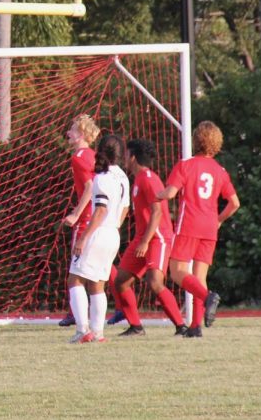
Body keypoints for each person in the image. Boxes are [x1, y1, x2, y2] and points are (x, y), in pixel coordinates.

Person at [157, 121, 240, 338]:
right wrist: (219, 220)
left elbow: (170, 193)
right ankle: (195, 327)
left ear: (196, 140)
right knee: (198, 276)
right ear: (217, 144)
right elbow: (234, 203)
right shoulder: (220, 170)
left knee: (177, 271)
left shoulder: (186, 165)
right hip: (210, 228)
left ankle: (208, 296)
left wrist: (157, 195)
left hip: (189, 224)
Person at [113, 139, 187, 337]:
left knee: (154, 281)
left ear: (133, 157)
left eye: (127, 155)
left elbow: (157, 212)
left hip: (158, 238)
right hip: (142, 238)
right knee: (120, 281)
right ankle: (136, 327)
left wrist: (146, 241)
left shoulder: (148, 178)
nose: (124, 159)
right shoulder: (138, 179)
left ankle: (181, 327)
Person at [60, 115, 123, 327]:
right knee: (98, 277)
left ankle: (81, 324)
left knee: (76, 277)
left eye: (72, 129)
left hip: (90, 220)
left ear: (82, 134)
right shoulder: (94, 157)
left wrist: (76, 214)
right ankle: (117, 310)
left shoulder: (78, 156)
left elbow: (89, 187)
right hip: (108, 225)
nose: (68, 133)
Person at [67, 134, 130, 343]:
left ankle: (82, 330)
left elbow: (100, 211)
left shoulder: (102, 178)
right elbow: (126, 207)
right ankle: (97, 332)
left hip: (98, 232)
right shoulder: (122, 176)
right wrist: (116, 225)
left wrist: (84, 237)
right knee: (98, 284)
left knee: (75, 279)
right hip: (113, 233)